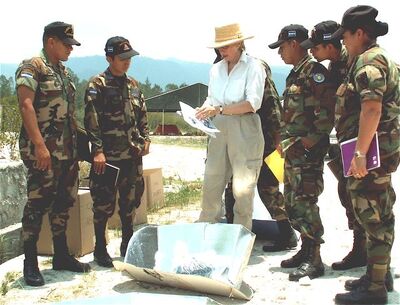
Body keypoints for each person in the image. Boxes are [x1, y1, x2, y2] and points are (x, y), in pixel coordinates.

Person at [330, 5, 399, 304]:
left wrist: (359, 153)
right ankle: (377, 276)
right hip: (379, 150)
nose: (342, 41)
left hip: (371, 154)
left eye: (344, 35)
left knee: (373, 216)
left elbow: (372, 107)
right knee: (379, 212)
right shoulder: (379, 58)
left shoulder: (368, 62)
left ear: (359, 33)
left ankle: (375, 291)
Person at [15, 21, 90, 287]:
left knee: (63, 203)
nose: (71, 49)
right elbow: (25, 105)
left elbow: (68, 114)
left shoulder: (64, 72)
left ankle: (61, 255)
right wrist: (39, 145)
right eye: (67, 44)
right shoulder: (32, 67)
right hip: (43, 153)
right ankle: (31, 263)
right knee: (37, 205)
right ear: (51, 42)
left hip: (66, 154)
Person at [268, 24, 336, 281]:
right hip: (293, 150)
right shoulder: (295, 74)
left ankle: (315, 259)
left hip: (307, 152)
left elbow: (327, 111)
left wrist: (309, 142)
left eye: (282, 47)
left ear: (295, 44)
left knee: (306, 202)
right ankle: (305, 250)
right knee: (293, 202)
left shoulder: (315, 73)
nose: (280, 53)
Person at [300, 21, 367, 270]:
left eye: (315, 47)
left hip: (363, 143)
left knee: (365, 198)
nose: (311, 52)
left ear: (330, 46)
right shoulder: (335, 65)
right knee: (348, 194)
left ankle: (370, 256)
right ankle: (361, 248)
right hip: (345, 141)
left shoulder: (356, 61)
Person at [84, 36, 150, 267]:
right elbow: (91, 121)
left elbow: (142, 115)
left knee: (130, 203)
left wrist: (146, 139)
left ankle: (127, 244)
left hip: (132, 157)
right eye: (122, 58)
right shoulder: (98, 85)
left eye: (129, 58)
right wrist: (98, 151)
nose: (126, 62)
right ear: (109, 58)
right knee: (103, 204)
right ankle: (100, 249)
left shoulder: (132, 84)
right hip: (108, 158)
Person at [196, 23, 266, 231]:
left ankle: (241, 236)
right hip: (219, 129)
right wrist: (203, 111)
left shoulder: (254, 67)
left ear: (239, 43)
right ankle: (207, 232)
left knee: (243, 190)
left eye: (226, 46)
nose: (222, 51)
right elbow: (211, 99)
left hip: (244, 127)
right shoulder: (216, 69)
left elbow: (252, 104)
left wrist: (218, 109)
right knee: (212, 183)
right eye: (219, 47)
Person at [223, 59, 297, 251]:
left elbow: (272, 105)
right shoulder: (224, 68)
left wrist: (277, 140)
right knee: (233, 184)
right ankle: (234, 231)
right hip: (238, 138)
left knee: (268, 186)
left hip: (262, 138)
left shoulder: (256, 68)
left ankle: (287, 233)